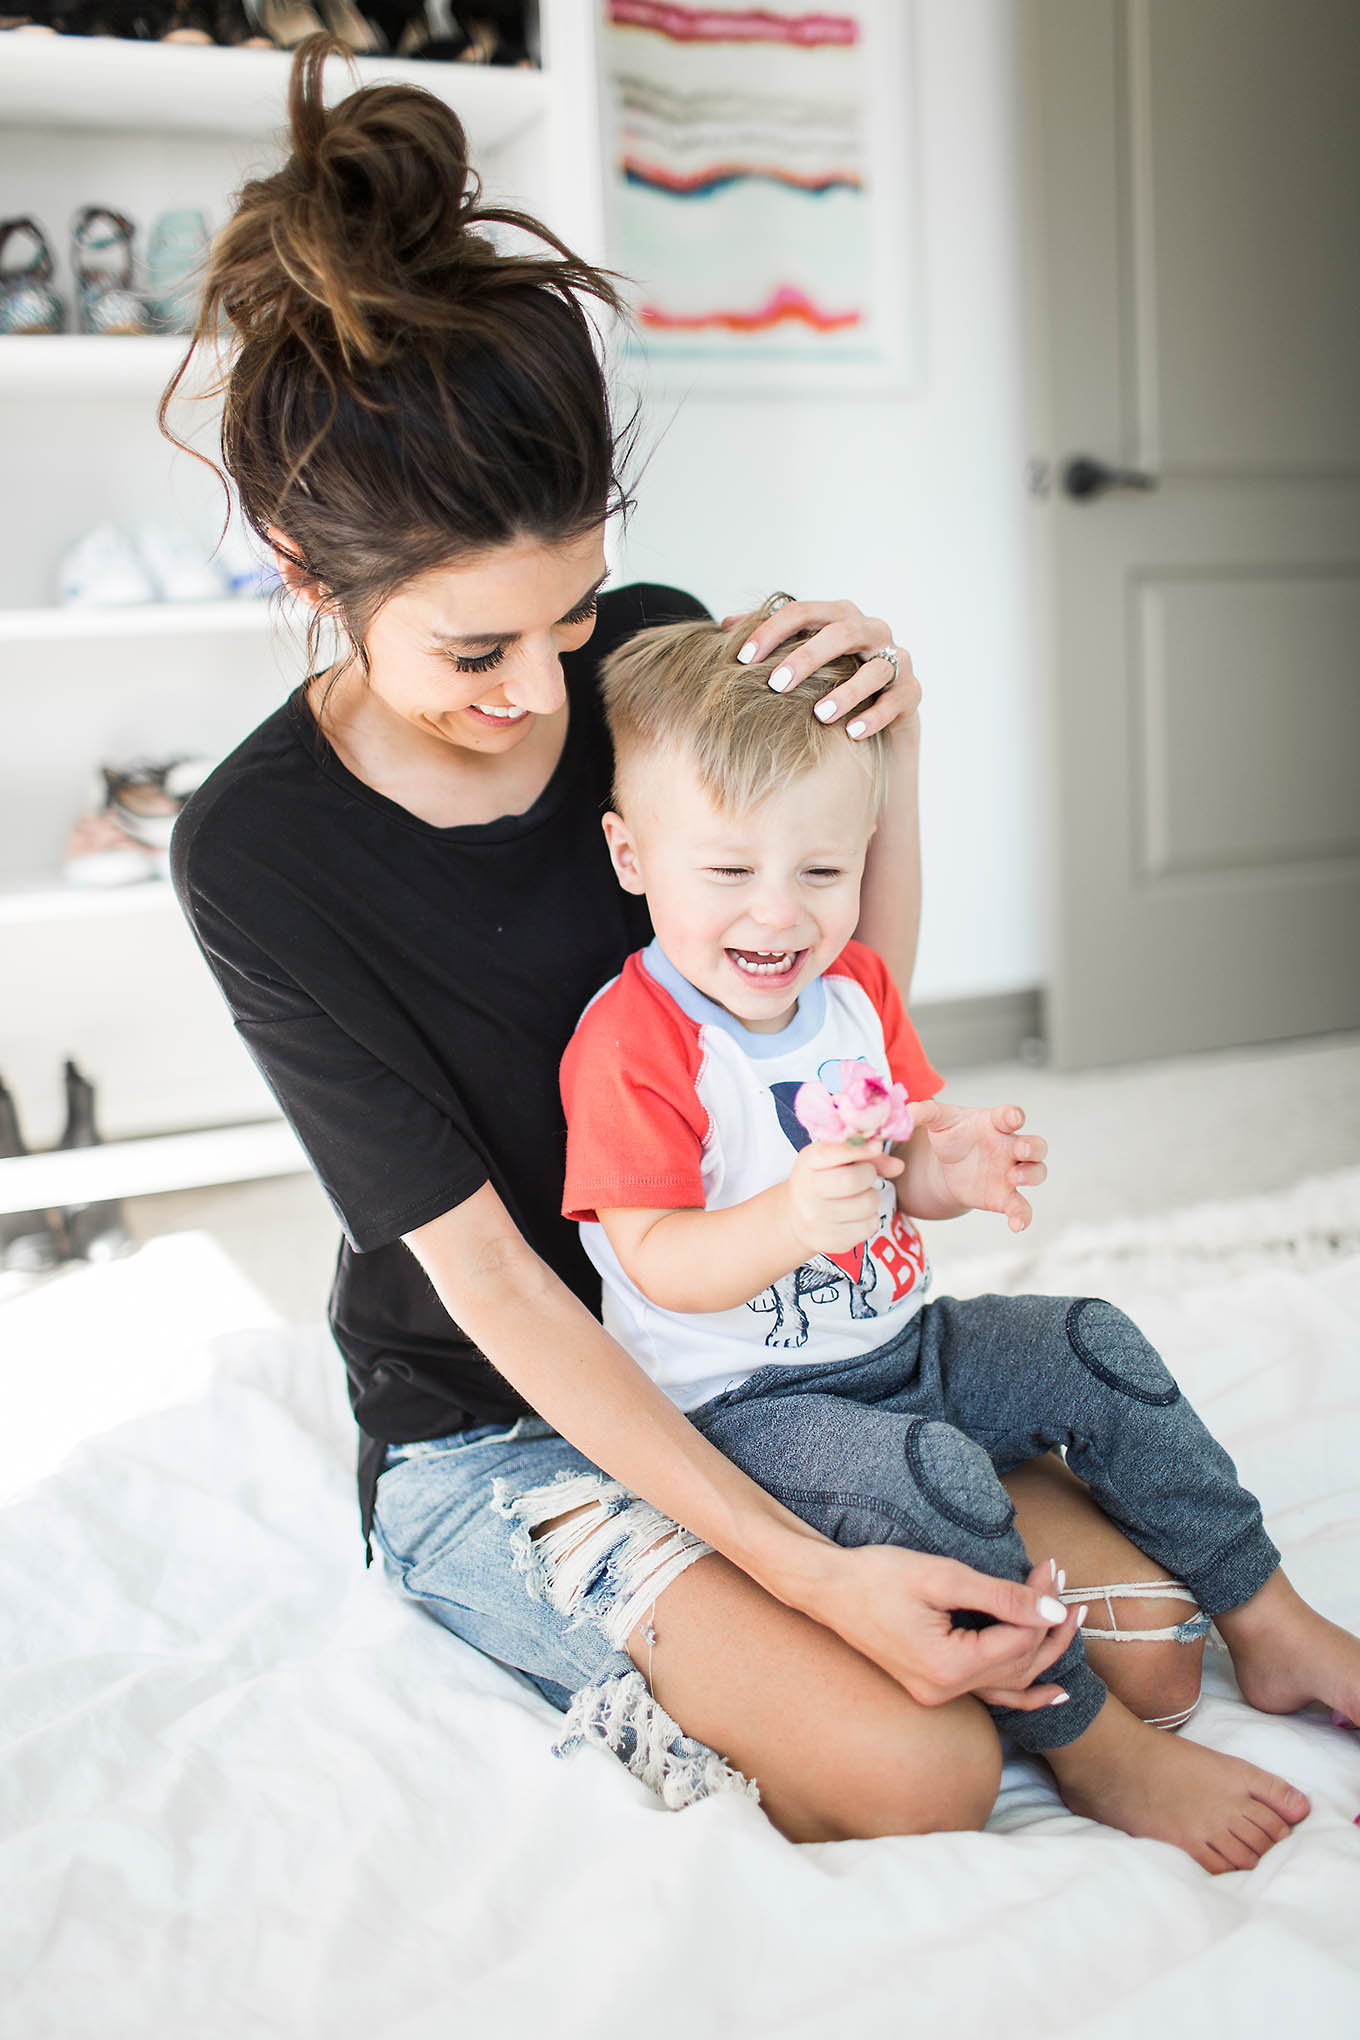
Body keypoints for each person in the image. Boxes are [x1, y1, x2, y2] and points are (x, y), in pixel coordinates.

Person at [167, 38, 1250, 1844]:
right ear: (304, 570)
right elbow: (505, 1290)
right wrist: (818, 1587)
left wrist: (893, 752)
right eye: (472, 655)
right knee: (923, 1770)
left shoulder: (651, 659)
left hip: (776, 1356)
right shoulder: (260, 852)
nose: (541, 696)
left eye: (574, 615)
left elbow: (845, 1008)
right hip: (504, 1418)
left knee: (1147, 1665)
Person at [556, 600, 1360, 1871]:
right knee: (928, 1477)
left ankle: (1267, 1616)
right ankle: (1093, 1744)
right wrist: (783, 1219)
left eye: (820, 872)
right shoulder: (634, 1041)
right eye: (728, 872)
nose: (778, 915)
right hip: (749, 1405)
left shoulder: (851, 991)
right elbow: (655, 1256)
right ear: (630, 856)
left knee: (1088, 1342)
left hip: (904, 1340)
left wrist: (947, 1167)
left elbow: (899, 1161)